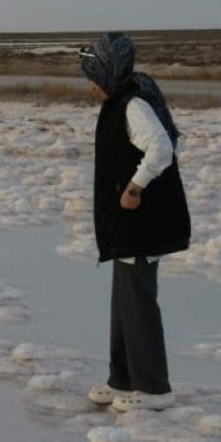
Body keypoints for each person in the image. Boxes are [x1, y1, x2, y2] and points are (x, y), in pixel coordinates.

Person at [78, 32, 190, 413]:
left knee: (138, 302)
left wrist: (135, 187)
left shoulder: (133, 105)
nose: (88, 84)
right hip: (127, 225)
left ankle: (154, 387)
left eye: (91, 75)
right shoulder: (120, 101)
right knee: (123, 303)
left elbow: (161, 147)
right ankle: (123, 378)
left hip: (144, 221)